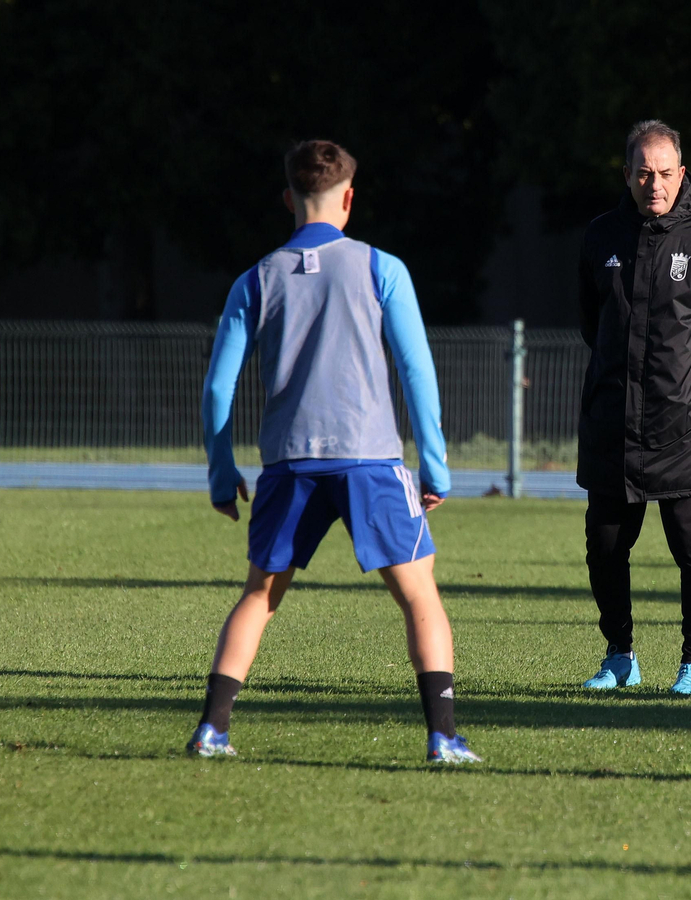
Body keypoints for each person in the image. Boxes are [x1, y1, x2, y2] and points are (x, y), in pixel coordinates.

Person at [187, 140, 479, 764]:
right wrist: (435, 463)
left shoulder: (255, 279)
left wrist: (220, 471)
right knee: (419, 594)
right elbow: (416, 370)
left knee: (260, 595)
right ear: (349, 198)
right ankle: (443, 736)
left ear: (289, 199)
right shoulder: (382, 267)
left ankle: (213, 730)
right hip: (369, 459)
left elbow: (218, 387)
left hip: (289, 462)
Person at [575, 120, 691, 695]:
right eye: (642, 172)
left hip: (688, 435)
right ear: (627, 174)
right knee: (605, 547)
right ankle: (619, 657)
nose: (652, 183)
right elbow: (591, 325)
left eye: (663, 173)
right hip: (614, 428)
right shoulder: (600, 237)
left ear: (681, 173)